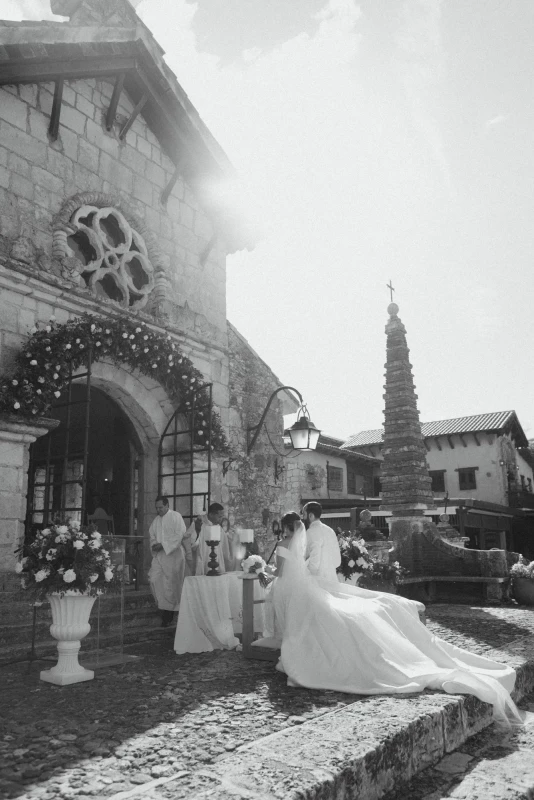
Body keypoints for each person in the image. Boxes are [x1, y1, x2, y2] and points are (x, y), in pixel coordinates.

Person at [271, 513, 528, 727]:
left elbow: (280, 572)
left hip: (290, 587)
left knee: (296, 616)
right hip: (306, 585)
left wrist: (264, 571)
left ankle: (292, 645)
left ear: (286, 528)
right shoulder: (301, 543)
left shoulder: (284, 544)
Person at [148, 496, 192, 627]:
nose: (158, 510)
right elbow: (152, 535)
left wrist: (164, 545)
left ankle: (169, 615)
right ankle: (162, 606)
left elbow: (180, 535)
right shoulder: (156, 520)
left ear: (167, 505)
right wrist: (154, 545)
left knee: (172, 585)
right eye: (156, 508)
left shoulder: (176, 516)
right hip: (160, 556)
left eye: (160, 507)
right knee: (153, 579)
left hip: (174, 556)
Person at [188, 502, 232, 575]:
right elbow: (191, 544)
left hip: (218, 562)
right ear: (211, 514)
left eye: (222, 517)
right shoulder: (199, 524)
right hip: (203, 559)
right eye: (219, 517)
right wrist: (197, 532)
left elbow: (225, 550)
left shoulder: (219, 529)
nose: (221, 519)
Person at [302, 501, 341, 582]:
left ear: (311, 515)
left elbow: (314, 559)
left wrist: (307, 577)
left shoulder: (311, 531)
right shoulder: (330, 530)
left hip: (318, 579)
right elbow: (337, 561)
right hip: (332, 577)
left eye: (304, 514)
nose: (303, 518)